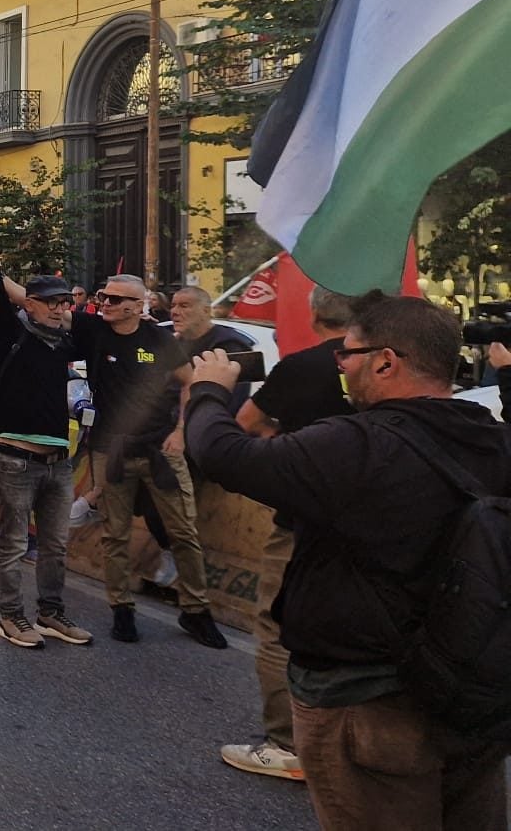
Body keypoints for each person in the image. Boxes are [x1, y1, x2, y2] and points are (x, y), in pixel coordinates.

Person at [187, 298, 511, 830]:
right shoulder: (490, 436)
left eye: (347, 353)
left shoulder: (354, 444)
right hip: (471, 696)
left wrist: (207, 390)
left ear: (385, 362)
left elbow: (223, 454)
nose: (339, 364)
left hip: (367, 706)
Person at [217, 287, 358, 783]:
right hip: (378, 519)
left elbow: (243, 425)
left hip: (302, 517)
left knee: (277, 625)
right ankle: (352, 737)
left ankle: (288, 744)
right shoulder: (386, 364)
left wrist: (282, 442)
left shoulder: (300, 367)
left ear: (314, 312)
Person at [75, 274, 226, 648]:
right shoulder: (96, 332)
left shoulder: (159, 340)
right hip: (111, 450)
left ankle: (196, 610)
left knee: (184, 532)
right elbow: (28, 300)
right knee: (115, 534)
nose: (105, 303)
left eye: (113, 298)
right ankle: (121, 609)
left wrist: (180, 429)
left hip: (160, 449)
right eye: (102, 297)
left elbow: (191, 381)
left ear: (135, 306)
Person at [0, 226, 91, 649]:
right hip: (17, 461)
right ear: (31, 304)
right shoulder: (11, 334)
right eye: (54, 302)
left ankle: (51, 614)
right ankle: (11, 618)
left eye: (65, 302)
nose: (62, 309)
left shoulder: (64, 344)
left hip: (58, 464)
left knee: (55, 547)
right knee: (12, 544)